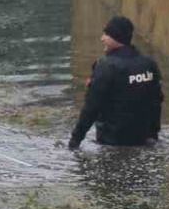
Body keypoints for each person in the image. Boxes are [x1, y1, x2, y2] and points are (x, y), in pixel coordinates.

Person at [68, 15, 163, 150]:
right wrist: (153, 135)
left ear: (116, 37)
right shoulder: (148, 64)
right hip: (144, 139)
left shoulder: (106, 66)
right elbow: (156, 102)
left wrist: (74, 141)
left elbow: (91, 108)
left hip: (112, 142)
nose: (102, 38)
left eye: (106, 34)